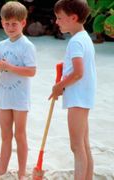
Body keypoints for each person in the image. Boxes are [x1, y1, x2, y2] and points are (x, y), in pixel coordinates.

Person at [50, 1, 96, 179]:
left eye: (60, 18)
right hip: (84, 95)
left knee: (76, 146)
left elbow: (78, 73)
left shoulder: (76, 42)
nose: (56, 22)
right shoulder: (85, 38)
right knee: (84, 144)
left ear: (73, 18)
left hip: (78, 97)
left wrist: (59, 86)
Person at [0, 1, 36, 179]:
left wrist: (8, 67)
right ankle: (2, 170)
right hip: (4, 96)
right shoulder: (0, 46)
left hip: (20, 97)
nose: (10, 27)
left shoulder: (27, 46)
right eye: (7, 23)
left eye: (14, 24)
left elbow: (31, 71)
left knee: (20, 134)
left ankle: (22, 172)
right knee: (5, 135)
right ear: (2, 23)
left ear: (23, 23)